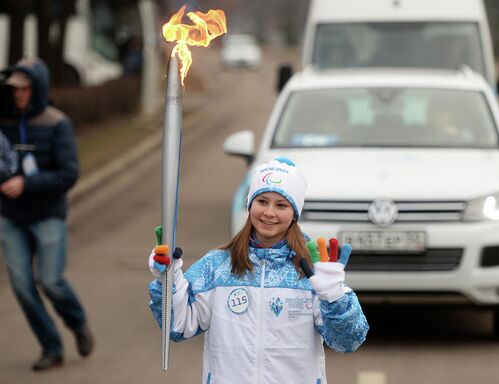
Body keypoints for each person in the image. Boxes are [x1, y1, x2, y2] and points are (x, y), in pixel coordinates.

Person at [148, 157, 369, 383]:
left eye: (281, 205)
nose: (269, 212)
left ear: (294, 213)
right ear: (250, 204)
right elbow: (177, 326)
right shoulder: (217, 266)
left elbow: (347, 341)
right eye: (262, 201)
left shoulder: (312, 271)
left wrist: (334, 297)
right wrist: (169, 277)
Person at [0, 58, 93, 371]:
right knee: (23, 287)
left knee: (50, 281)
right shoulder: (4, 122)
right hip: (10, 217)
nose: (18, 95)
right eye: (13, 89)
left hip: (47, 214)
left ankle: (77, 322)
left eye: (24, 89)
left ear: (37, 88)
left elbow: (69, 174)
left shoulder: (57, 123)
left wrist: (26, 183)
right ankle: (51, 348)